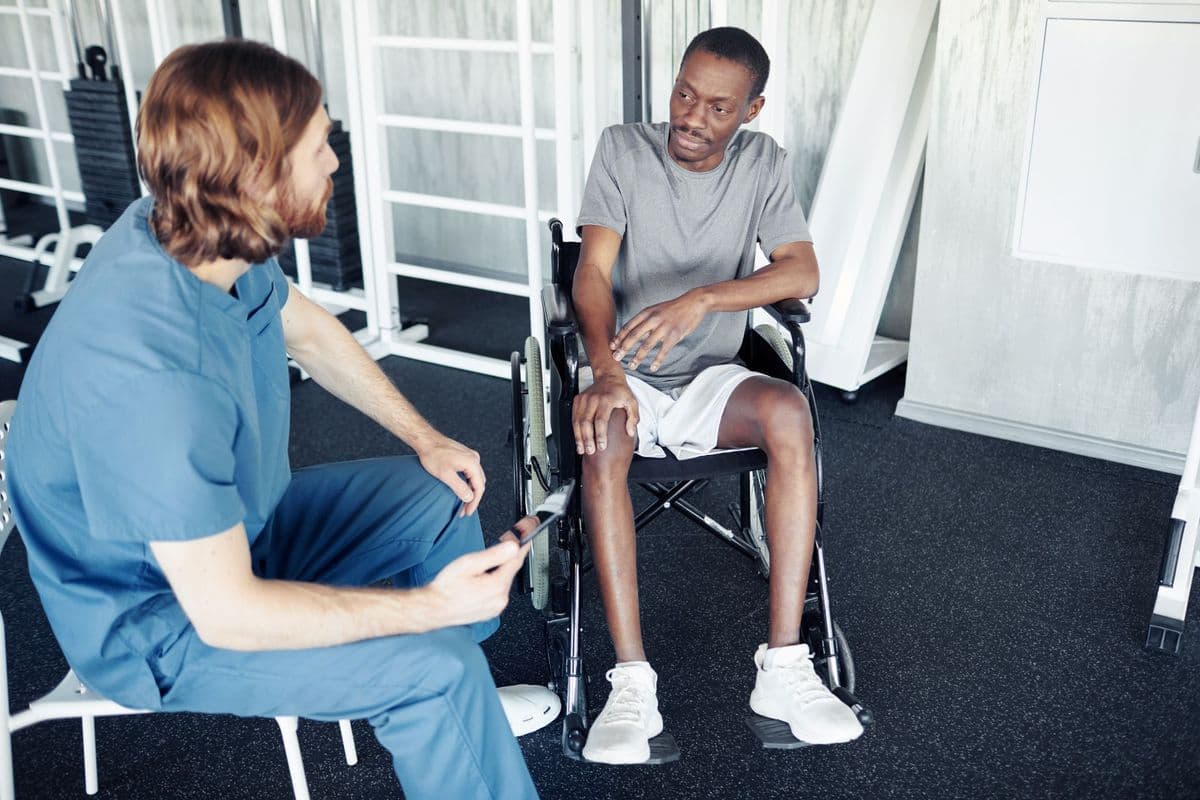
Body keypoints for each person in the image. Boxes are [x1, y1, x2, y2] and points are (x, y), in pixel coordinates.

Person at [7, 40, 539, 799]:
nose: (334, 162)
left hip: (239, 532)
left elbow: (304, 327)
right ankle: (445, 691)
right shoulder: (153, 380)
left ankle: (462, 713)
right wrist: (426, 609)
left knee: (440, 490)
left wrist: (426, 438)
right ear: (256, 173)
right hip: (164, 619)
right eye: (319, 146)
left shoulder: (187, 228)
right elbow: (227, 615)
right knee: (435, 669)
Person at [570, 27, 864, 764]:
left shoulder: (763, 163)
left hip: (710, 376)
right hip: (626, 370)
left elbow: (801, 272)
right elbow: (592, 272)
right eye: (684, 94)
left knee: (791, 413)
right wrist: (605, 371)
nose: (692, 117)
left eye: (718, 108)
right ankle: (631, 683)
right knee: (603, 438)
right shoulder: (622, 149)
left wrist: (701, 299)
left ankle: (784, 669)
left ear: (752, 110)